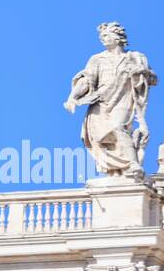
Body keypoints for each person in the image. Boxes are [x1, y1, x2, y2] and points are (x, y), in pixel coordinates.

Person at [64, 22, 156, 178]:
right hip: (101, 101)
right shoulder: (97, 59)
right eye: (101, 37)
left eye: (106, 36)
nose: (103, 39)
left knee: (118, 127)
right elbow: (87, 80)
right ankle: (116, 173)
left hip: (123, 99)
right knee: (100, 138)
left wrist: (141, 71)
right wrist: (72, 97)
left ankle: (132, 164)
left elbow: (153, 79)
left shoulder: (135, 57)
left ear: (118, 37)